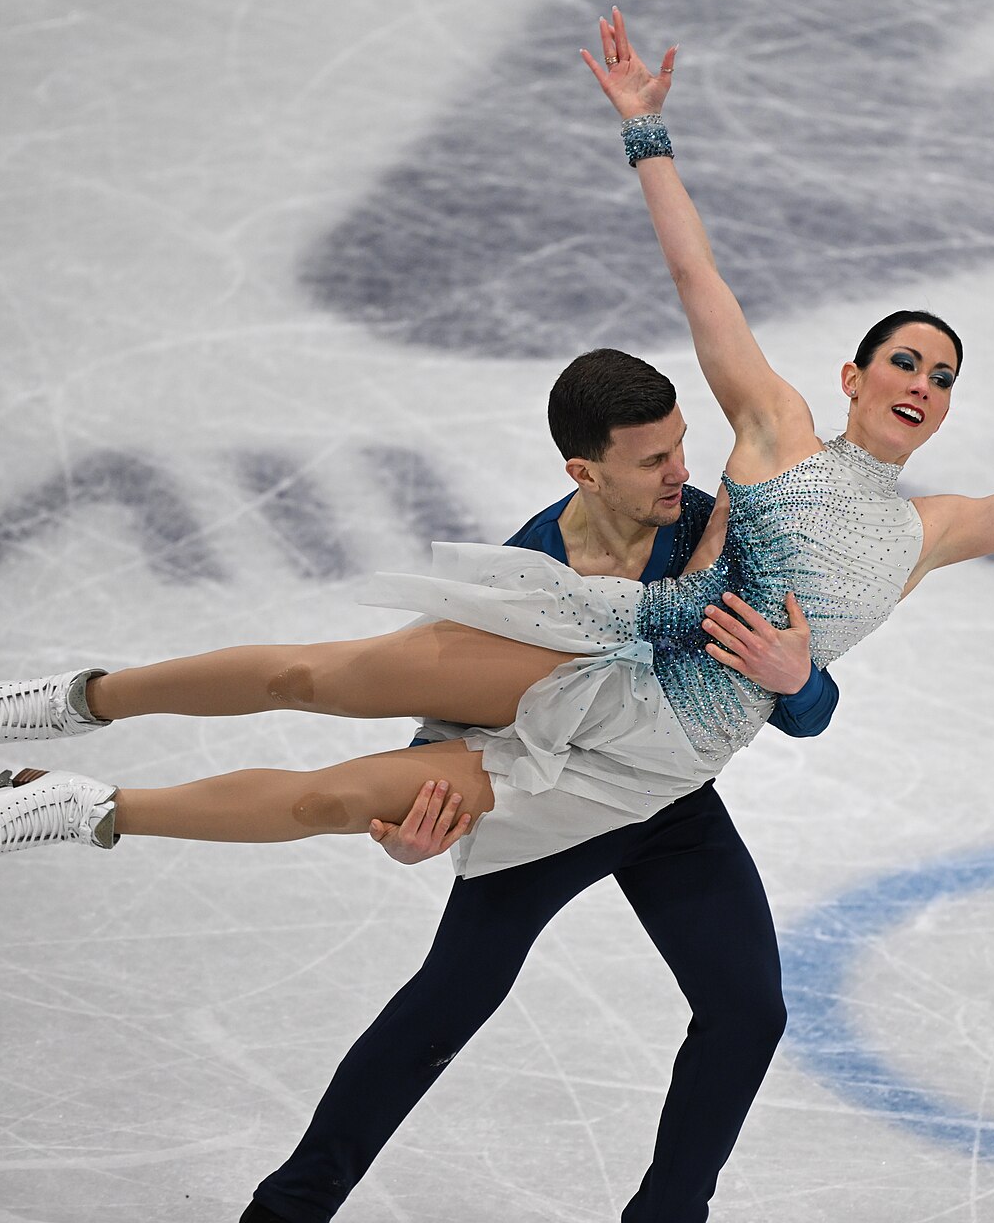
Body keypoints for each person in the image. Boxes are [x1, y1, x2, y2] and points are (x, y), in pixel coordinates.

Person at [0, 4, 994, 878]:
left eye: (942, 375)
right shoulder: (776, 428)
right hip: (598, 638)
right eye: (905, 362)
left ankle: (80, 807)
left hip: (644, 754)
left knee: (341, 802)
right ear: (857, 372)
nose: (924, 384)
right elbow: (702, 290)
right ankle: (86, 696)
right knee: (311, 666)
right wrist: (649, 133)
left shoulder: (934, 533)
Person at [241, 350, 818, 1223]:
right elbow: (441, 729)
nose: (682, 472)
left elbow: (812, 713)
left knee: (748, 1011)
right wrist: (409, 828)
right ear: (584, 472)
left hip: (667, 807)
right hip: (551, 808)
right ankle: (287, 1210)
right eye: (654, 460)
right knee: (448, 1002)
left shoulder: (719, 533)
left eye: (681, 446)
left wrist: (793, 679)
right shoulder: (527, 570)